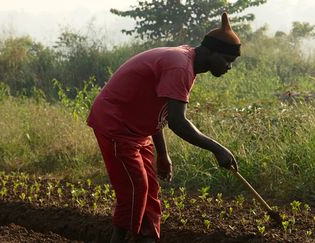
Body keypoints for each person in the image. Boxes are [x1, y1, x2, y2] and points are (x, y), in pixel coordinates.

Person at [87, 12, 240, 243]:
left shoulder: (187, 63)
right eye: (227, 60)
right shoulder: (180, 66)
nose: (229, 67)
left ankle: (147, 239)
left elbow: (158, 111)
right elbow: (178, 123)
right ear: (210, 52)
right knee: (135, 188)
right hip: (116, 123)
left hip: (139, 129)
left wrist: (163, 154)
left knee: (150, 192)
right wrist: (217, 148)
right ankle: (120, 238)